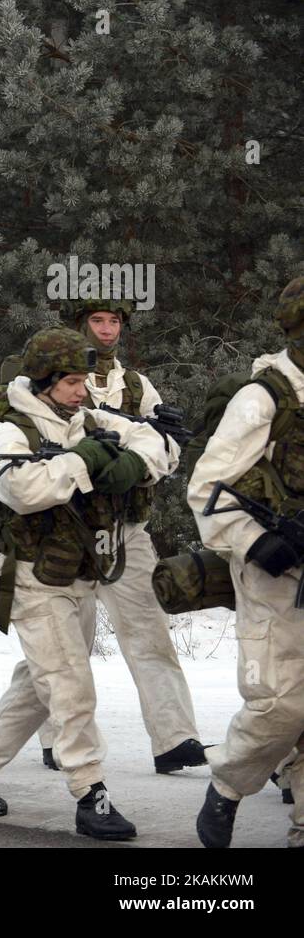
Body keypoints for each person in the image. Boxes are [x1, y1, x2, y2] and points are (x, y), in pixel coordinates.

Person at [0, 327, 178, 840]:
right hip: (33, 581)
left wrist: (135, 462)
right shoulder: (12, 432)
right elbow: (23, 488)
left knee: (39, 684)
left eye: (84, 381)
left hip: (81, 575)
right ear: (46, 382)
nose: (82, 391)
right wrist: (87, 462)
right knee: (71, 687)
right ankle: (89, 794)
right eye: (72, 382)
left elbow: (162, 444)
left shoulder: (87, 417)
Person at [31, 297, 205, 774]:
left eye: (114, 322)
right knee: (62, 643)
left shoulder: (135, 385)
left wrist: (147, 454)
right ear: (79, 325)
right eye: (97, 321)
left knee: (150, 631)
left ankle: (175, 738)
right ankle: (54, 734)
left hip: (126, 530)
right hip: (67, 533)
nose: (107, 330)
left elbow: (167, 451)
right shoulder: (47, 384)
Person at [188, 277, 304, 849]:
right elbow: (207, 487)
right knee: (283, 703)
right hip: (274, 571)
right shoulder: (264, 398)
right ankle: (229, 783)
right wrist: (256, 541)